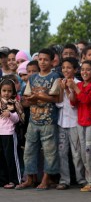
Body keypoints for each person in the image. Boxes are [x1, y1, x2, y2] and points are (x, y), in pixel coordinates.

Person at [17, 48, 61, 190]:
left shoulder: (55, 77)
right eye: (40, 59)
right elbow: (27, 97)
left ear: (52, 61)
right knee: (29, 150)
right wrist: (35, 98)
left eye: (45, 59)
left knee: (49, 152)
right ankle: (30, 178)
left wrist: (39, 97)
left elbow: (56, 98)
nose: (42, 62)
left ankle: (46, 179)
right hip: (34, 120)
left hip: (48, 120)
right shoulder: (33, 78)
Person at [70, 60, 91, 192]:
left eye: (88, 69)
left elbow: (87, 100)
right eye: (83, 69)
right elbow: (73, 102)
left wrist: (75, 88)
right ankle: (88, 179)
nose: (85, 72)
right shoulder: (79, 84)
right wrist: (68, 88)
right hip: (80, 122)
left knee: (88, 152)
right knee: (82, 152)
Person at [55, 57, 82, 190]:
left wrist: (69, 88)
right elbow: (58, 103)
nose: (66, 70)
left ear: (75, 70)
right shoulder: (60, 82)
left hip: (75, 122)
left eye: (69, 67)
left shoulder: (78, 84)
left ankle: (81, 179)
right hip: (62, 122)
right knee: (62, 152)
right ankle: (64, 180)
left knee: (77, 153)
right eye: (64, 67)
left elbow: (74, 104)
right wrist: (61, 89)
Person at [0, 78, 24, 189]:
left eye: (9, 91)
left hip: (9, 133)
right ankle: (3, 179)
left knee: (11, 158)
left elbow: (18, 119)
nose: (6, 93)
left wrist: (9, 114)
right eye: (4, 90)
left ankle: (15, 180)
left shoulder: (14, 103)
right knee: (2, 158)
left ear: (13, 92)